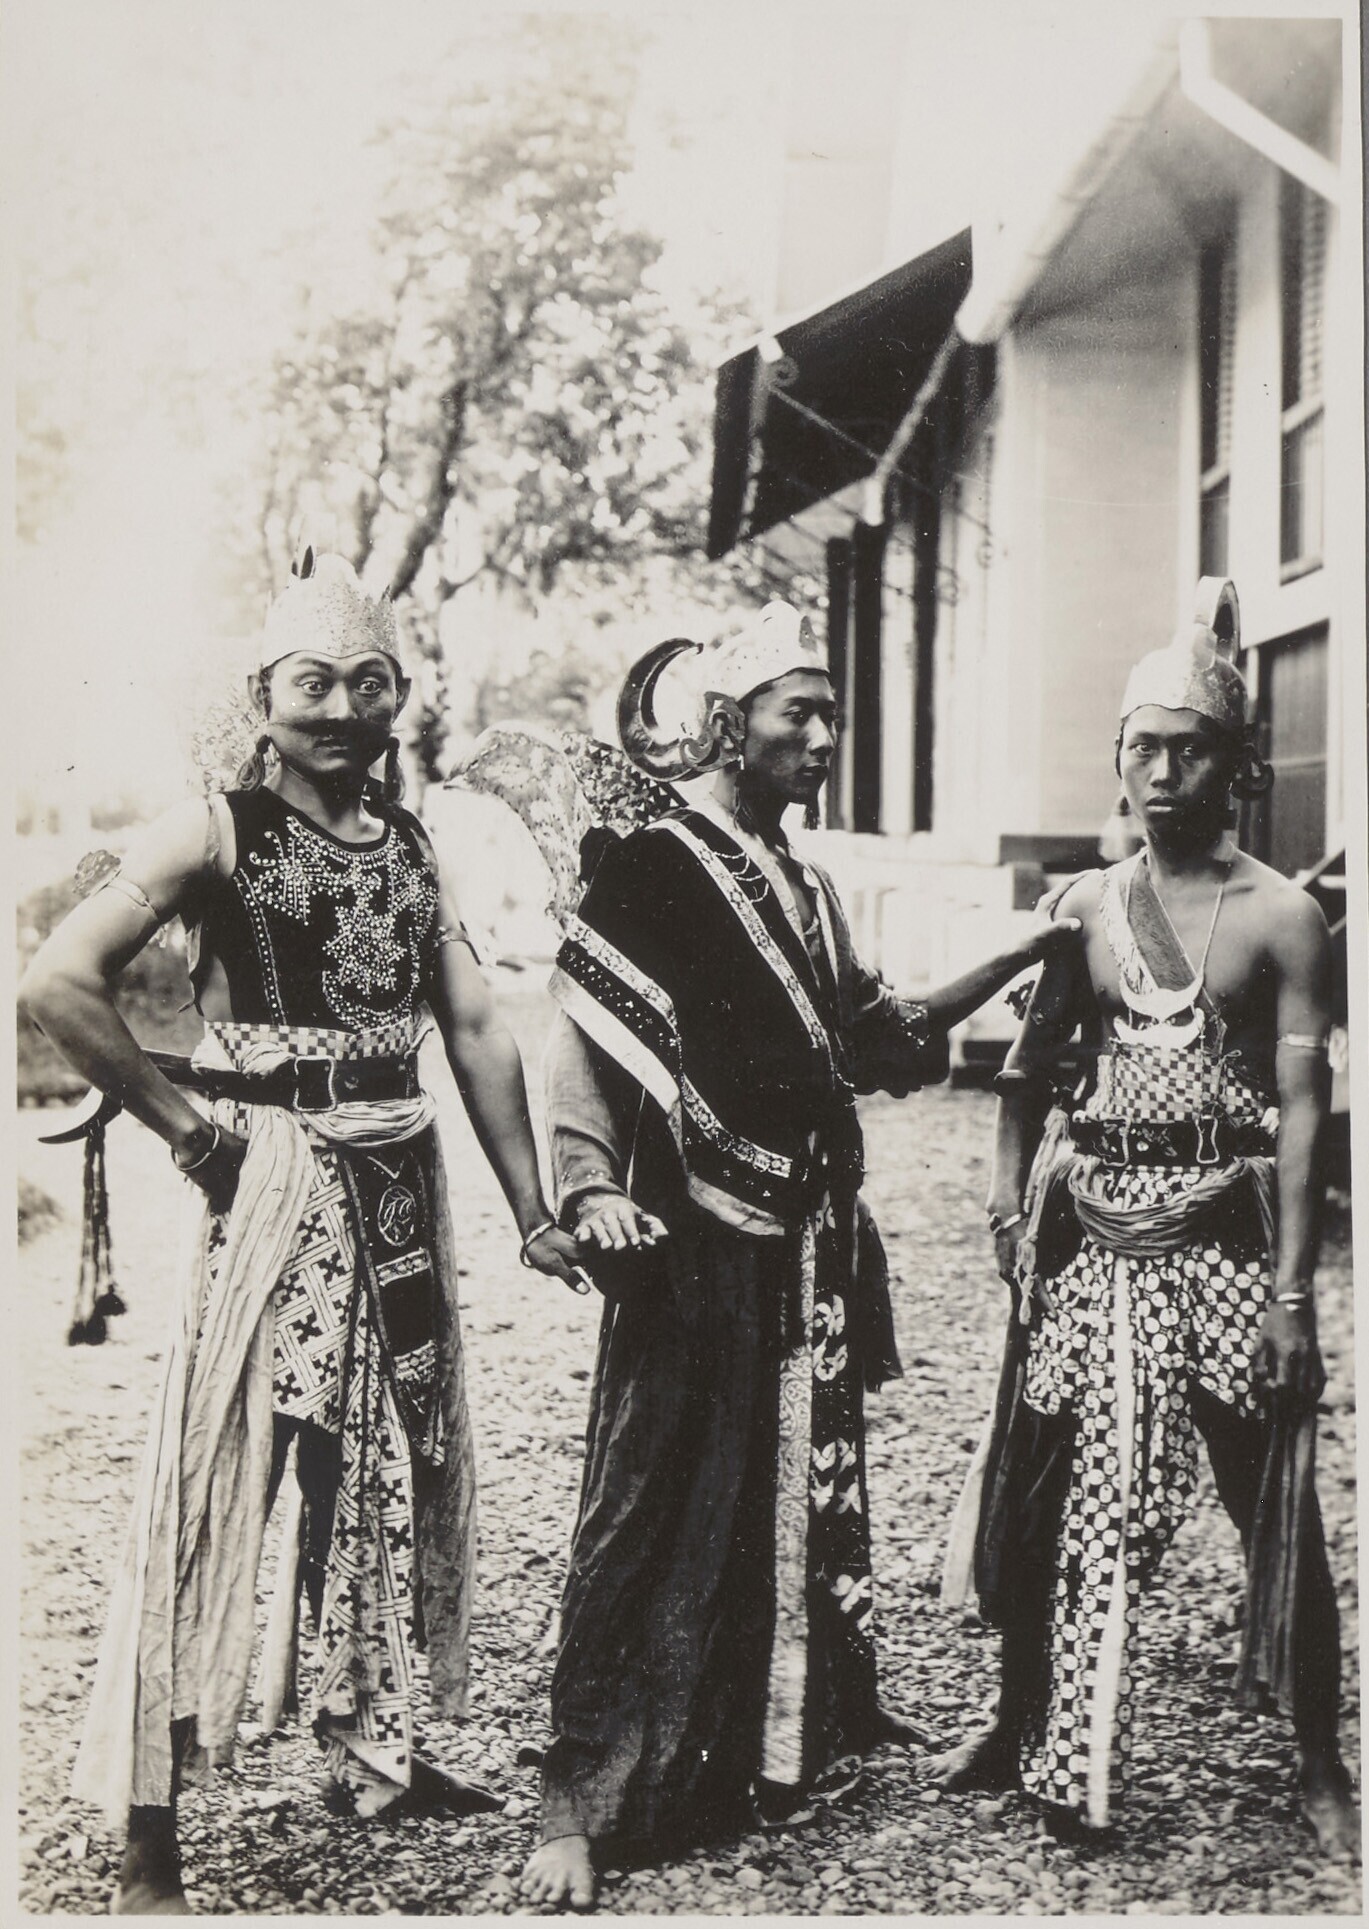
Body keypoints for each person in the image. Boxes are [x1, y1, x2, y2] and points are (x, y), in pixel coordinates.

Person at [19, 550, 585, 1913]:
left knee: (381, 1460)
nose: (340, 708)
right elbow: (58, 981)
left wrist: (533, 1210)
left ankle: (375, 1749)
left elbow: (472, 1028)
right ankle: (148, 1831)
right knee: (221, 1472)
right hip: (269, 1175)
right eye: (312, 683)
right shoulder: (210, 831)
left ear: (400, 697)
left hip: (396, 1177)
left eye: (367, 683)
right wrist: (192, 1134)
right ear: (261, 695)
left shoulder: (413, 845)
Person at [518, 601, 1084, 1908]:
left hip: (806, 1238)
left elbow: (879, 1038)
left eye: (831, 716)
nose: (824, 739)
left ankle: (782, 1730)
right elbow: (582, 1045)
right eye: (800, 715)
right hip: (688, 1236)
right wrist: (587, 1186)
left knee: (793, 1481)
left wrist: (1022, 948)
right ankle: (577, 1799)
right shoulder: (653, 864)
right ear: (729, 725)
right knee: (645, 1499)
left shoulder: (808, 886)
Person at [932, 579, 1359, 1859]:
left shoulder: (1283, 915)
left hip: (1221, 1245)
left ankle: (1321, 1759)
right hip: (1092, 1241)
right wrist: (1008, 1200)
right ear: (1115, 760)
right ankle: (1018, 1717)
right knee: (1044, 1487)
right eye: (1143, 750)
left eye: (1190, 751)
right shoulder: (1083, 907)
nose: (1163, 775)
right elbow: (1026, 1073)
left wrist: (1293, 1300)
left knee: (1271, 1497)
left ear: (1238, 766)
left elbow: (1302, 1117)